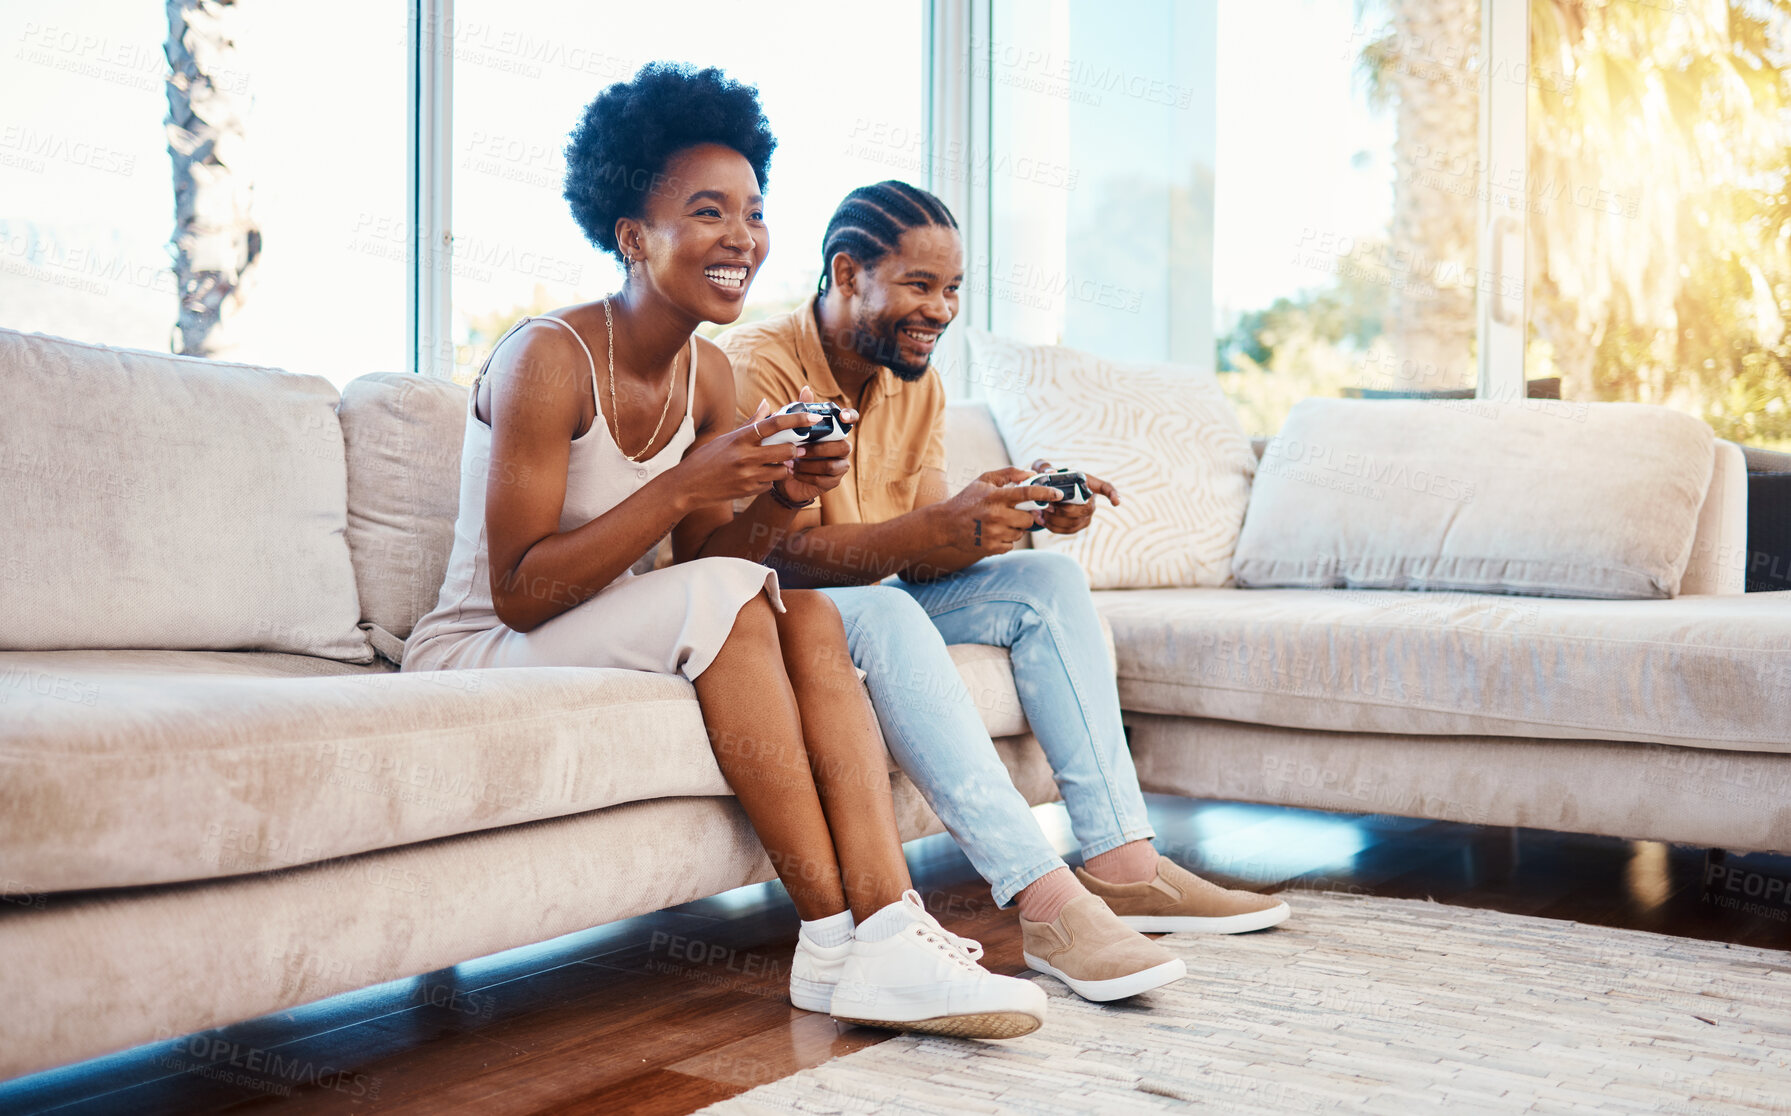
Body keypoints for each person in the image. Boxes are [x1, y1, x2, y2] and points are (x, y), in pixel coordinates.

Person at [404, 69, 1045, 1039]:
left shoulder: (708, 370)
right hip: (485, 642)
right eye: (709, 212)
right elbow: (520, 592)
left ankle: (873, 934)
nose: (744, 237)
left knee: (809, 607)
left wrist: (781, 492)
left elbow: (716, 555)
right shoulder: (548, 357)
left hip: (610, 620)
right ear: (633, 237)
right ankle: (841, 934)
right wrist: (687, 483)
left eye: (753, 211)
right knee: (740, 604)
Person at [720, 180, 1290, 1004]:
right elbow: (761, 554)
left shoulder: (914, 381)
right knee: (879, 612)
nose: (941, 310)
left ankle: (1123, 867)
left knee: (1045, 581)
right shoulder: (754, 370)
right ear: (847, 275)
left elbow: (915, 549)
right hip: (777, 614)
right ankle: (1045, 902)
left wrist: (1001, 517)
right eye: (919, 286)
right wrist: (928, 532)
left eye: (951, 289)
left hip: (871, 596)